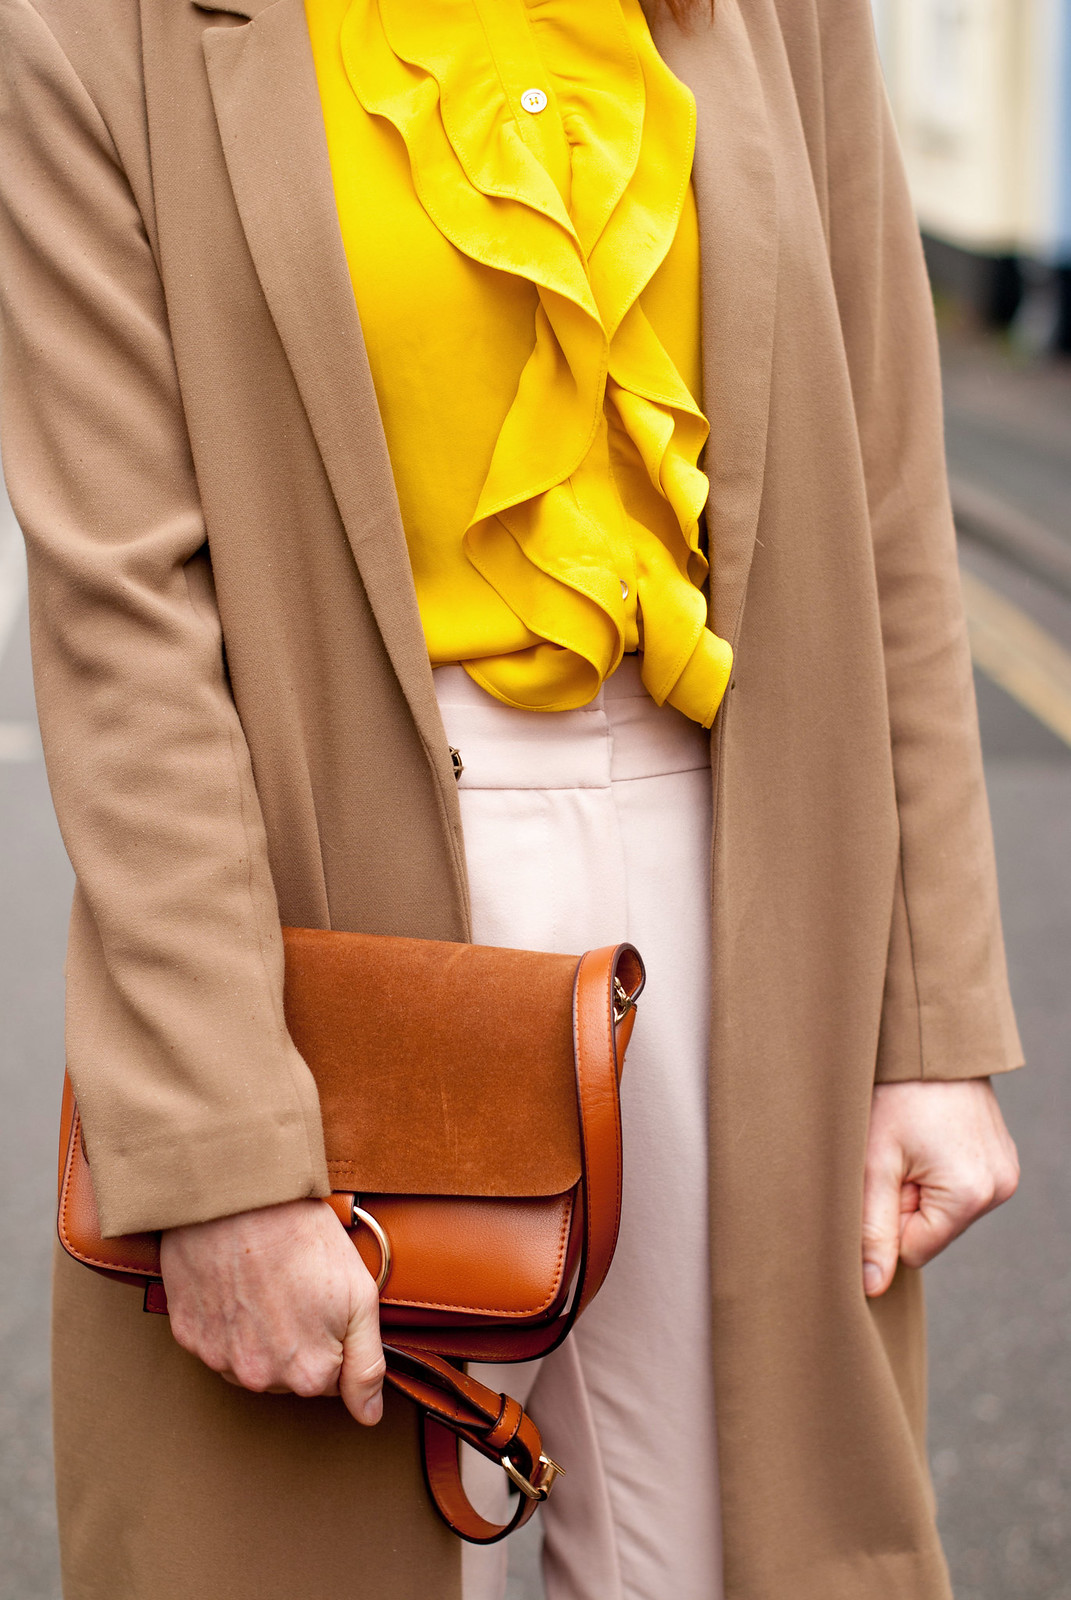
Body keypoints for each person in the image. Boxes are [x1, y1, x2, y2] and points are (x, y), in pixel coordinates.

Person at [0, 0, 1022, 1595]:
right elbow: (121, 621)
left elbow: (889, 491)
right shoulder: (87, 29)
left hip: (751, 901)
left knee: (764, 1559)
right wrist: (218, 1147)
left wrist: (929, 1019)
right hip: (331, 939)